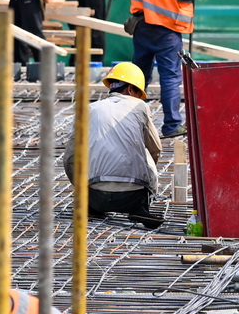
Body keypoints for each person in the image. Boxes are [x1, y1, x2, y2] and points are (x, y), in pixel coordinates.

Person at [126, 0, 214, 138]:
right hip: (165, 28)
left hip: (141, 23)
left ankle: (128, 121)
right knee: (170, 77)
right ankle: (172, 125)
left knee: (139, 76)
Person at [63, 62, 164, 229]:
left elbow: (70, 158)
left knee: (87, 153)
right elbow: (156, 149)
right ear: (131, 89)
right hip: (132, 197)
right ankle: (141, 208)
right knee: (145, 153)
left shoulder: (89, 109)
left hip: (96, 196)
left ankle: (90, 207)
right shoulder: (140, 107)